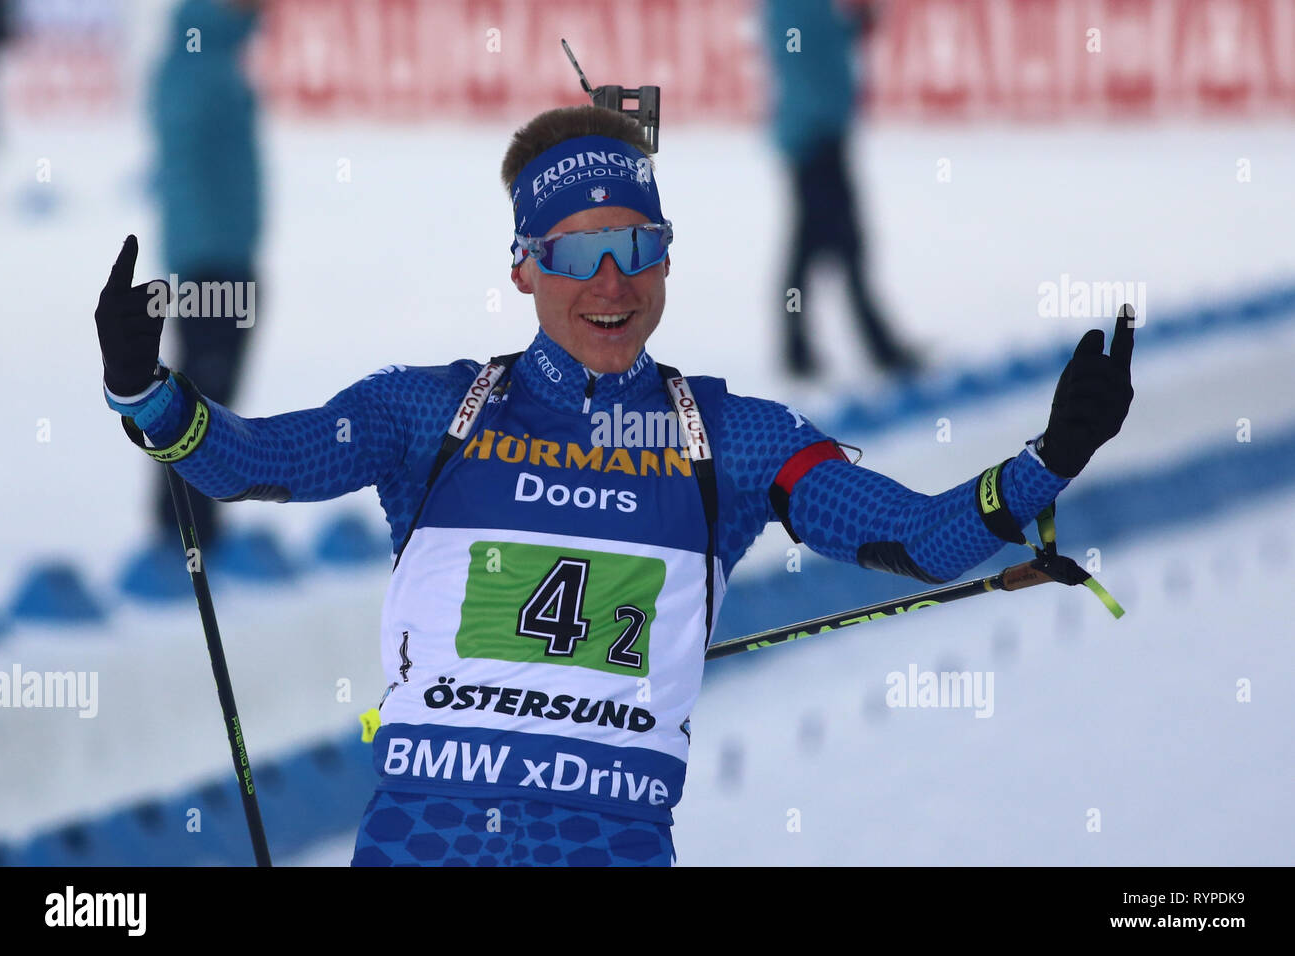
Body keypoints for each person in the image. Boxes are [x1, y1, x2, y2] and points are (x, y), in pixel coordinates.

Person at [92, 105, 1134, 867]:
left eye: (638, 246)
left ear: (666, 261)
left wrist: (1047, 458)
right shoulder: (431, 412)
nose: (610, 283)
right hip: (422, 841)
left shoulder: (729, 436)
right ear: (523, 267)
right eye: (579, 251)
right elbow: (257, 460)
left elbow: (914, 538)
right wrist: (144, 390)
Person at [121, 0, 265, 598]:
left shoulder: (215, 56)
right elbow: (181, 160)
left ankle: (195, 528)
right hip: (211, 262)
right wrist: (209, 254)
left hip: (221, 256)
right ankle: (181, 534)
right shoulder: (195, 60)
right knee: (200, 396)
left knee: (212, 395)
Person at [764, 0, 920, 376]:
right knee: (842, 245)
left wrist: (852, 26)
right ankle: (877, 348)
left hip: (818, 136)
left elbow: (821, 46)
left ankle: (801, 351)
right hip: (815, 139)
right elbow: (806, 59)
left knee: (813, 247)